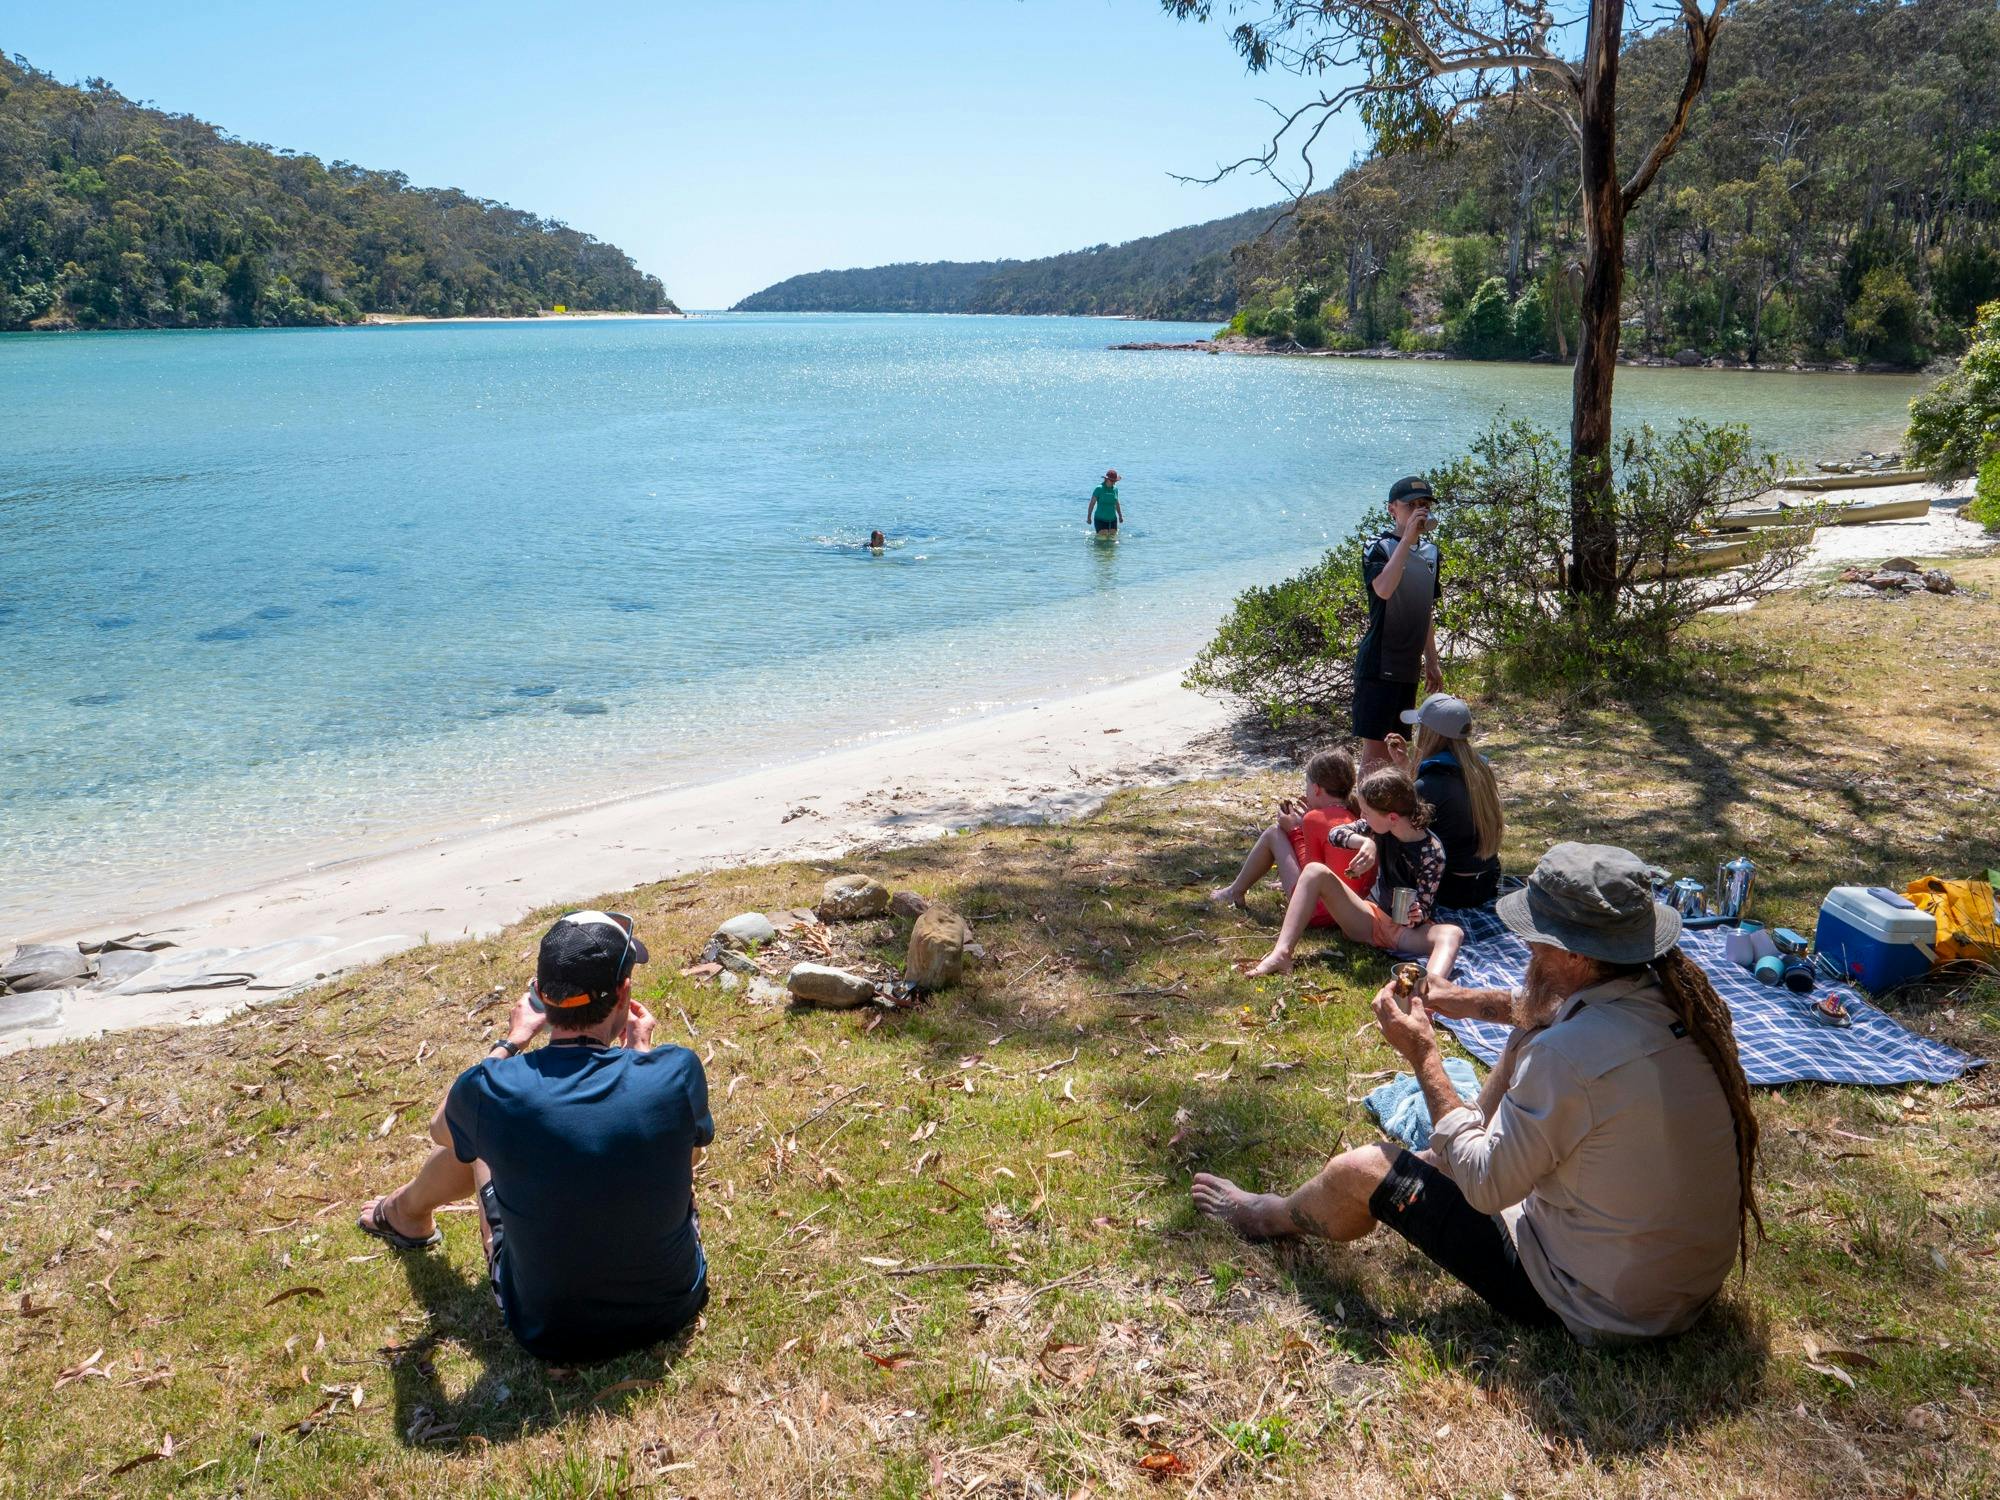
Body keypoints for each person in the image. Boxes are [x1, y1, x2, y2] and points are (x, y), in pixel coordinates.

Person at [1194, 842, 1763, 1344]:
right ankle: (1444, 1153)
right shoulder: (1680, 1002)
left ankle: (1267, 1216)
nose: (1527, 952)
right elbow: (1543, 1014)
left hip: (1601, 1306)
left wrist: (1426, 1058)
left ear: (1574, 956)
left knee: (1363, 1169)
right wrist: (1458, 998)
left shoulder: (1565, 1057)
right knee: (1512, 1054)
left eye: (1536, 941)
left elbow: (1489, 1187)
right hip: (1682, 1288)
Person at [357, 911, 712, 1365]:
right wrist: (639, 1058)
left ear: (541, 999)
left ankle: (404, 1214)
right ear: (625, 993)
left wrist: (509, 1043)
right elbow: (690, 1157)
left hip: (550, 1331)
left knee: (481, 1140)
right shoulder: (677, 1070)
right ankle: (403, 1212)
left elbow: (441, 1128)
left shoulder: (497, 1089)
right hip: (673, 1306)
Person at [1243, 767, 1464, 984]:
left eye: (1366, 812)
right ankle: (1282, 953)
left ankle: (1426, 996)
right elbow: (1335, 834)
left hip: (1405, 933)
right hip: (1370, 918)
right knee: (1314, 871)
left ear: (1392, 817)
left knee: (1452, 934)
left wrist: (1418, 912)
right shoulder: (1376, 828)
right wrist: (1365, 842)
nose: (1363, 816)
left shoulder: (1432, 852)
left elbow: (1425, 906)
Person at [1208, 748, 1373, 916]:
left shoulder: (1314, 819)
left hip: (1317, 911)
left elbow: (1311, 872)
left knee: (1274, 833)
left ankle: (1234, 892)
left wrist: (1294, 831)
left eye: (1306, 784)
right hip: (1353, 910)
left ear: (1316, 789)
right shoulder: (1356, 813)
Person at [1354, 476, 1445, 772]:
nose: (1420, 510)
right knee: (1375, 753)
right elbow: (1383, 589)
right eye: (1411, 505)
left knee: (1398, 749)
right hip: (1379, 663)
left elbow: (1425, 610)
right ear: (1393, 509)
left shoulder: (1431, 553)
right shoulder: (1377, 546)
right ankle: (1367, 815)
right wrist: (1406, 540)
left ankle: (1390, 815)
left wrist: (1432, 661)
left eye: (1425, 505)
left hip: (1408, 666)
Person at [1385, 693, 1502, 908]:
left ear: (1431, 734)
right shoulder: (1480, 771)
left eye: (1420, 727)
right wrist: (1405, 765)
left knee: (1387, 831)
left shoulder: (1430, 784)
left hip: (1450, 891)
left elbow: (1402, 827)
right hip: (1486, 883)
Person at [1089, 470, 1124, 536]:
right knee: (1102, 541)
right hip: (1100, 519)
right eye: (1112, 481)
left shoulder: (1115, 489)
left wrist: (1120, 516)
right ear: (1106, 479)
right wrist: (1089, 517)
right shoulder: (1099, 489)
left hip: (1112, 519)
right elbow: (1092, 503)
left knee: (1112, 541)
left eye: (1114, 481)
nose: (1113, 483)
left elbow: (1116, 503)